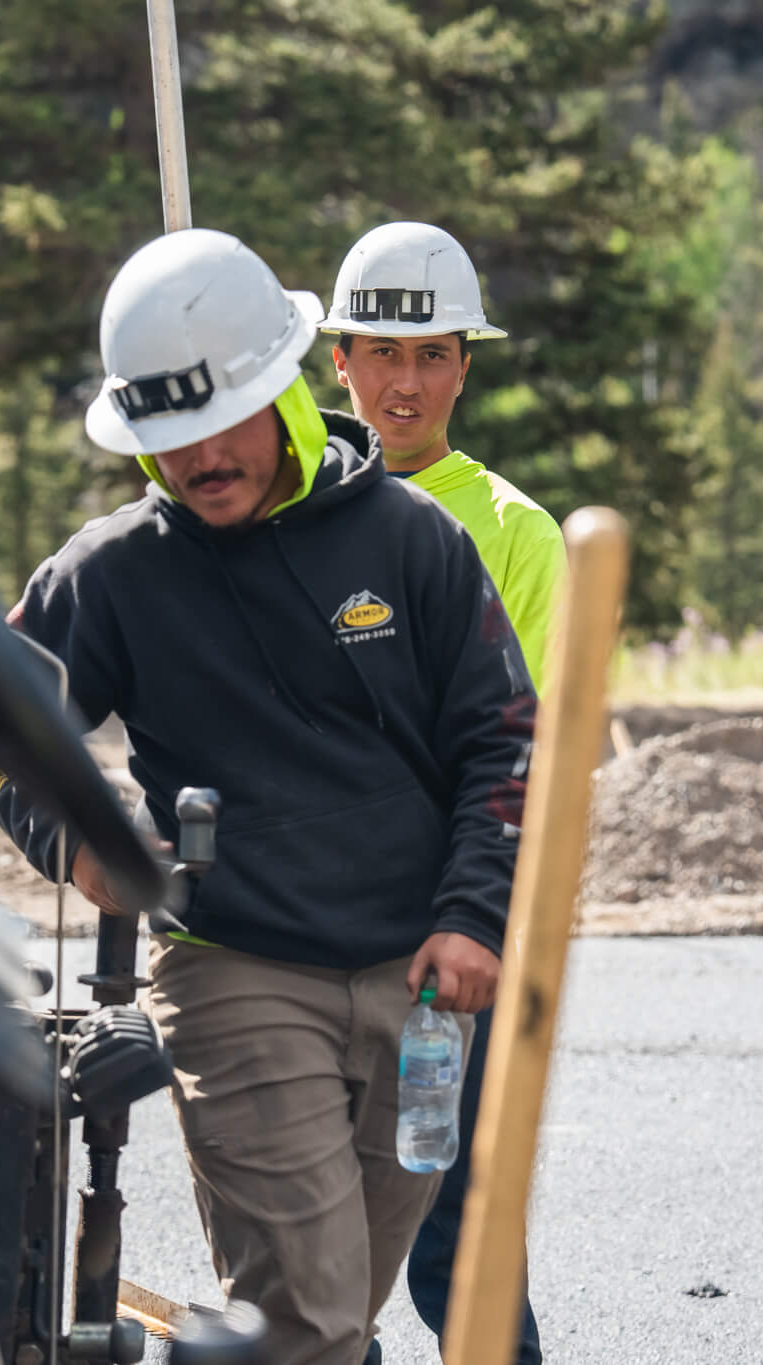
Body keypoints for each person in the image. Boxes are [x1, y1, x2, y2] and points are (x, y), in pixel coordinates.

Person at [0, 226, 536, 1365]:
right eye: (167, 437)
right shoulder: (110, 573)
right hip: (233, 971)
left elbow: (504, 737)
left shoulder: (415, 540)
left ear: (282, 388)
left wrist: (471, 914)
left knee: (343, 1311)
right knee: (311, 1321)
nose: (198, 460)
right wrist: (76, 845)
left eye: (219, 422)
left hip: (419, 990)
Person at [324, 221, 559, 1365]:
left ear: (465, 363)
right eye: (378, 352)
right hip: (306, 921)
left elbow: (530, 758)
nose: (402, 383)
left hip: (446, 936)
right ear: (338, 363)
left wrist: (484, 920)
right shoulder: (289, 513)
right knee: (317, 1240)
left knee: (448, 1228)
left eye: (428, 356)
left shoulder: (518, 533)